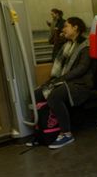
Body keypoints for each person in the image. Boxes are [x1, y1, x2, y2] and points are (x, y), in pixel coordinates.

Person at [33, 17, 93, 148]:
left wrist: (61, 79)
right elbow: (56, 59)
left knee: (54, 96)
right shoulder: (67, 45)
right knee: (37, 94)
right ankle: (44, 132)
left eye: (66, 26)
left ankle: (66, 133)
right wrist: (58, 40)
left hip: (80, 84)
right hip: (68, 81)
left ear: (75, 27)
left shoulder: (85, 45)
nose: (63, 29)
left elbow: (81, 69)